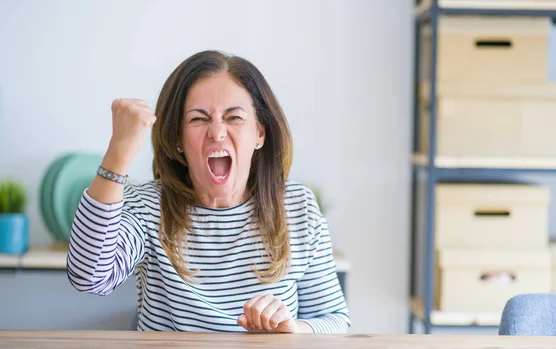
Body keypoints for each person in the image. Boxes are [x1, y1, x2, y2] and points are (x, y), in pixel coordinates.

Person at [66, 50, 350, 333]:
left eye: (234, 117)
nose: (217, 132)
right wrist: (119, 151)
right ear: (177, 138)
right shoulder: (147, 206)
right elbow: (88, 277)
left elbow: (335, 322)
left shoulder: (298, 207)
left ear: (260, 133)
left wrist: (292, 329)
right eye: (198, 119)